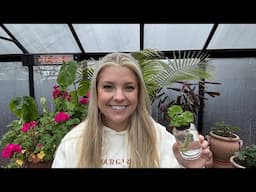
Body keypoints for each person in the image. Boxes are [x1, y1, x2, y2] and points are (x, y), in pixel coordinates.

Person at [51, 52, 212, 168]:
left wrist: (192, 167)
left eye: (129, 87)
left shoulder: (160, 139)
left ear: (139, 93)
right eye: (108, 87)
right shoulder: (73, 143)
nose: (119, 97)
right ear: (96, 92)